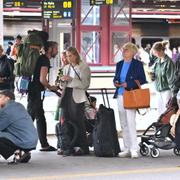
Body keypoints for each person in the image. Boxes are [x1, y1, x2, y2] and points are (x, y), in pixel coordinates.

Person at [113, 42, 147, 158]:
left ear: (132, 52)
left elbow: (142, 80)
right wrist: (116, 82)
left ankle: (134, 148)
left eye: (126, 50)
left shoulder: (137, 64)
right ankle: (127, 147)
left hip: (131, 95)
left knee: (131, 122)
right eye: (123, 50)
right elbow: (116, 78)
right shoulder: (119, 64)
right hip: (120, 95)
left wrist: (129, 83)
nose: (123, 52)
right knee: (123, 123)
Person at [27, 41, 59, 152]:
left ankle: (44, 144)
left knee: (40, 117)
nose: (57, 51)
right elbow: (42, 79)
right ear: (50, 49)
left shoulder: (41, 58)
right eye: (56, 48)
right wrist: (51, 87)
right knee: (29, 118)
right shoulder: (44, 60)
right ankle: (20, 144)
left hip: (35, 91)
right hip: (36, 92)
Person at [60, 46, 91, 156]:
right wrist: (62, 80)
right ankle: (68, 146)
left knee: (78, 121)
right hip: (66, 95)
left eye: (71, 56)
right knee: (66, 121)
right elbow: (62, 85)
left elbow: (85, 85)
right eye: (67, 56)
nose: (69, 58)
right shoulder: (66, 67)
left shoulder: (84, 67)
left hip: (77, 96)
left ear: (76, 55)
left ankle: (81, 146)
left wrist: (71, 80)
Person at [0, 90, 38, 162]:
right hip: (31, 140)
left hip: (24, 141)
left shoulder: (7, 111)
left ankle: (20, 152)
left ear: (7, 98)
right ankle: (21, 152)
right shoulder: (19, 106)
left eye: (0, 97)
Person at [151, 41, 175, 116]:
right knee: (159, 110)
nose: (155, 54)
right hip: (158, 89)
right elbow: (154, 74)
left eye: (155, 52)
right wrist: (152, 76)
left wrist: (173, 93)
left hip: (167, 89)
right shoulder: (157, 61)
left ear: (161, 51)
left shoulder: (169, 62)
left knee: (167, 110)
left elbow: (171, 78)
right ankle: (160, 127)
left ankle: (167, 127)